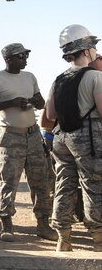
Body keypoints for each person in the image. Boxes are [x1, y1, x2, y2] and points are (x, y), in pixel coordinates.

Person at [0, 43, 56, 242]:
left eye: (25, 55)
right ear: (8, 59)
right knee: (8, 181)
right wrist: (11, 103)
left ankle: (43, 224)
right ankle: (6, 224)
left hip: (33, 136)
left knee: (41, 181)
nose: (25, 59)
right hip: (10, 137)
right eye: (21, 56)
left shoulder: (30, 77)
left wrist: (36, 102)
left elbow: (40, 101)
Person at [43, 25, 102, 252]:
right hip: (88, 138)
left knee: (64, 184)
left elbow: (49, 116)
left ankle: (63, 239)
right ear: (86, 50)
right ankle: (98, 239)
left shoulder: (58, 79)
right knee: (93, 185)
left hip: (61, 138)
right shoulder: (95, 77)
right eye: (94, 47)